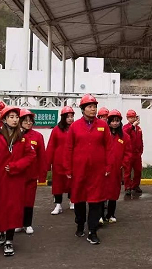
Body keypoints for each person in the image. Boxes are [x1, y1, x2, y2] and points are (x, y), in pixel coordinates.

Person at [0, 106, 36, 256]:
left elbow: (30, 156)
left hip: (16, 180)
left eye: (16, 117)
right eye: (11, 117)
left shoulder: (22, 137)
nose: (15, 120)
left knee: (14, 210)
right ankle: (1, 232)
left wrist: (16, 166)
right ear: (4, 119)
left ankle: (9, 240)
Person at [65, 94, 111, 245]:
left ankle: (92, 231)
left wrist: (108, 166)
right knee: (79, 199)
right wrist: (68, 169)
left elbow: (109, 147)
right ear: (83, 109)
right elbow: (69, 148)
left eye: (94, 106)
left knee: (95, 201)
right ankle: (80, 224)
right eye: (90, 107)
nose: (93, 109)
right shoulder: (75, 126)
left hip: (97, 170)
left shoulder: (103, 125)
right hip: (79, 170)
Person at [17, 108, 46, 234]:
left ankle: (27, 224)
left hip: (31, 175)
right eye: (25, 121)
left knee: (29, 200)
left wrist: (42, 175)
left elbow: (42, 157)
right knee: (17, 200)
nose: (28, 123)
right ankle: (18, 223)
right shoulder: (15, 135)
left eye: (30, 121)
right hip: (17, 175)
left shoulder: (38, 136)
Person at [101, 110, 131, 224]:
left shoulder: (125, 137)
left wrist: (123, 164)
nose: (115, 123)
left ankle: (111, 214)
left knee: (113, 193)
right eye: (112, 121)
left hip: (116, 170)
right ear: (108, 122)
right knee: (102, 192)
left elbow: (128, 153)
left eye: (117, 121)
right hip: (104, 168)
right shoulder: (104, 135)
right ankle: (100, 215)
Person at [47, 106, 75, 214]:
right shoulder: (56, 129)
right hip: (58, 161)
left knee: (72, 182)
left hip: (72, 161)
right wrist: (48, 163)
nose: (70, 119)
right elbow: (51, 146)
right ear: (63, 118)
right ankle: (58, 204)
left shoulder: (76, 128)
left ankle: (72, 201)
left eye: (72, 116)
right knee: (58, 184)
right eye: (68, 117)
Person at [123, 109, 143, 196]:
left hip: (137, 153)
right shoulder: (125, 127)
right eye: (130, 117)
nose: (132, 119)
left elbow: (140, 140)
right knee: (127, 171)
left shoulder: (138, 129)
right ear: (127, 118)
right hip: (129, 153)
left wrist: (141, 150)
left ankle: (135, 185)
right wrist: (132, 126)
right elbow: (124, 134)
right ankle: (127, 187)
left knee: (138, 171)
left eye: (133, 117)